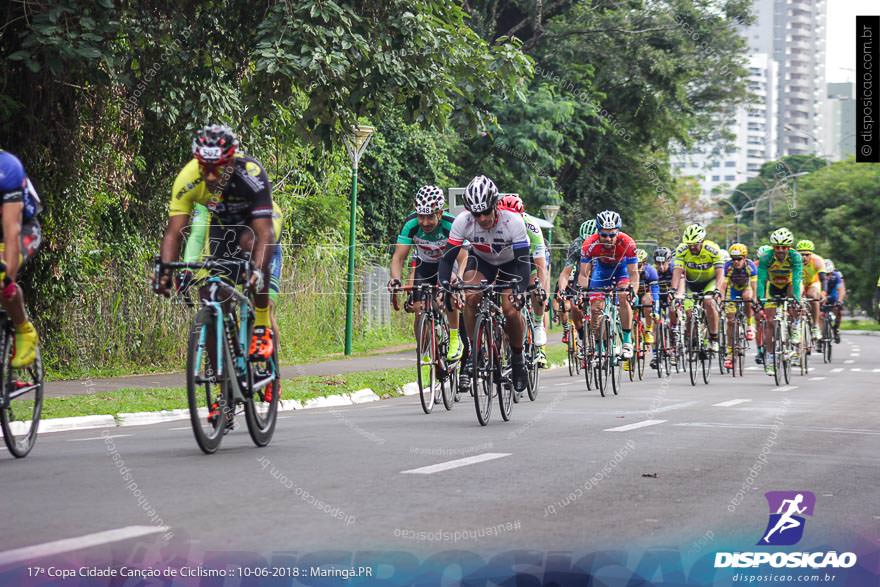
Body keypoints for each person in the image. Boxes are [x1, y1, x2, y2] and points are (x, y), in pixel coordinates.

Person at [154, 124, 277, 360]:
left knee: (251, 248)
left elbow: (266, 234)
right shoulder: (188, 178)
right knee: (212, 295)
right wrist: (166, 270)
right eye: (204, 168)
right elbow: (175, 233)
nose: (210, 176)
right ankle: (223, 378)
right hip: (223, 228)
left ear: (231, 163)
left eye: (217, 169)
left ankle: (261, 324)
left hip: (256, 226)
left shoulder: (251, 174)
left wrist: (259, 272)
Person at [438, 176, 531, 393]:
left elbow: (524, 262)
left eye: (486, 212)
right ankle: (474, 351)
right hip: (482, 262)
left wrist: (521, 289)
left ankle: (517, 359)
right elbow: (447, 258)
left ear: (495, 206)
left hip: (511, 264)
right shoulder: (463, 221)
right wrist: (445, 284)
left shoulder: (513, 222)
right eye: (476, 214)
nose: (482, 218)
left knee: (510, 309)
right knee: (470, 296)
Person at [388, 186, 465, 366]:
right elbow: (398, 258)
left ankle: (454, 338)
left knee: (449, 296)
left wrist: (459, 278)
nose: (424, 222)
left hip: (448, 263)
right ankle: (424, 352)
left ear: (439, 213)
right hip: (426, 265)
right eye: (421, 216)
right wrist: (395, 279)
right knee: (418, 308)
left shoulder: (451, 224)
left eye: (430, 216)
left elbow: (463, 257)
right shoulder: (411, 224)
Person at [576, 210, 639, 359]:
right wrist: (582, 291)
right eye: (604, 235)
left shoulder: (628, 243)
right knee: (595, 307)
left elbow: (634, 274)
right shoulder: (589, 244)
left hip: (621, 269)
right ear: (598, 232)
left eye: (612, 235)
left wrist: (633, 290)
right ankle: (599, 346)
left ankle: (627, 341)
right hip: (602, 271)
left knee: (623, 296)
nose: (608, 238)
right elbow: (584, 274)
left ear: (618, 232)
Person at [0, 150, 42, 368]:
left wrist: (7, 281)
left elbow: (12, 231)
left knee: (1, 279)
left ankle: (23, 328)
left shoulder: (7, 168)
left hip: (23, 229)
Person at [497, 194, 548, 364]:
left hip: (530, 260)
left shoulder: (531, 227)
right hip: (507, 261)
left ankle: (538, 324)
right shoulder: (495, 223)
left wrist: (541, 288)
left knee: (536, 287)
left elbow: (541, 264)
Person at [756, 228, 803, 376]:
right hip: (773, 287)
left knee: (795, 300)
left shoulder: (795, 257)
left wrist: (796, 299)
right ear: (773, 247)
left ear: (789, 247)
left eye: (784, 247)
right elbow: (761, 280)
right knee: (770, 322)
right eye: (777, 247)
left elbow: (796, 279)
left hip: (789, 285)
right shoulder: (766, 257)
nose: (780, 250)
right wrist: (760, 299)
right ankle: (770, 358)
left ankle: (794, 324)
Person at [672, 224, 725, 353]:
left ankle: (714, 338)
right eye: (689, 244)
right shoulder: (682, 250)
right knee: (689, 314)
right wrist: (673, 290)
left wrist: (717, 289)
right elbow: (677, 271)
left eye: (695, 244)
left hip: (709, 282)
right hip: (692, 283)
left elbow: (720, 271)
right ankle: (693, 340)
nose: (692, 247)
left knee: (709, 302)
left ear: (702, 241)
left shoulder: (712, 249)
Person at [557, 219, 596, 362]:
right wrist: (561, 289)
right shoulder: (576, 245)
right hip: (582, 276)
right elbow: (566, 272)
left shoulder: (604, 243)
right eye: (584, 241)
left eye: (590, 241)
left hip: (599, 275)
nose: (586, 244)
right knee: (574, 307)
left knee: (598, 306)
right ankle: (582, 335)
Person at [720, 243, 758, 370]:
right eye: (734, 259)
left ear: (745, 258)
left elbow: (754, 286)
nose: (736, 262)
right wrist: (721, 299)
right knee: (730, 321)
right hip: (733, 290)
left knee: (748, 297)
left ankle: (749, 325)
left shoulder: (750, 266)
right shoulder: (728, 266)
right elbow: (724, 285)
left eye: (739, 259)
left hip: (746, 288)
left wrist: (755, 300)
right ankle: (730, 353)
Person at [633, 248, 660, 369]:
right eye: (635, 264)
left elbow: (655, 294)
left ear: (644, 264)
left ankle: (648, 330)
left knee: (647, 300)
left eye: (639, 265)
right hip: (633, 294)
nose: (637, 268)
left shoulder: (651, 271)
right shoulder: (628, 270)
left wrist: (655, 311)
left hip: (645, 294)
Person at [795, 239, 826, 342]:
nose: (804, 257)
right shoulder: (793, 260)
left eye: (807, 254)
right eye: (801, 254)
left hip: (813, 282)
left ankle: (815, 326)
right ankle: (796, 325)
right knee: (795, 297)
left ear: (811, 254)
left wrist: (823, 292)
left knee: (812, 296)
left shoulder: (817, 260)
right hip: (800, 283)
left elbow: (823, 279)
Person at [824, 259, 846, 343]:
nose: (827, 276)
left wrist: (840, 300)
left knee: (839, 310)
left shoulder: (836, 275)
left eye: (829, 274)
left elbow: (841, 289)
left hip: (833, 296)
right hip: (822, 296)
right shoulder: (818, 275)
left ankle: (836, 328)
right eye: (825, 274)